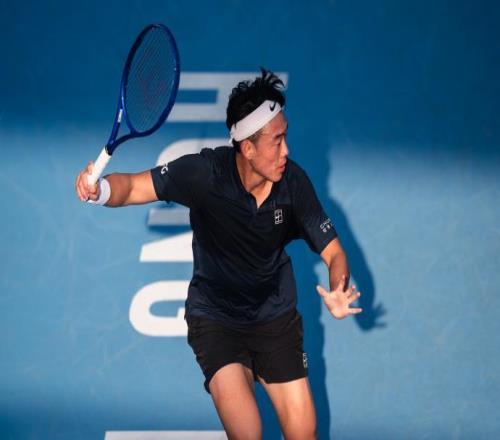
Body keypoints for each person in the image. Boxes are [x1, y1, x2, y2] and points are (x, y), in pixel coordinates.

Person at [75, 68, 362, 440]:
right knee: (247, 433)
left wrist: (339, 288)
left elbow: (335, 253)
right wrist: (99, 191)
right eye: (277, 141)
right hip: (217, 321)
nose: (286, 151)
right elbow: (132, 187)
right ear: (247, 148)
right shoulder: (204, 174)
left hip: (275, 319)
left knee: (304, 433)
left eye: (285, 136)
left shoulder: (293, 184)